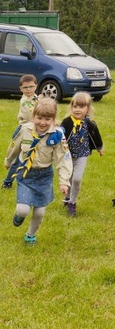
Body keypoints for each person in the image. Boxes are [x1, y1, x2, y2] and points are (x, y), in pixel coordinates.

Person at [5, 98, 72, 245]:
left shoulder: (57, 135)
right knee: (23, 209)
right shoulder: (25, 130)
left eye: (47, 119)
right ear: (33, 116)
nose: (42, 122)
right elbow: (14, 146)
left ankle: (30, 235)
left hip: (44, 176)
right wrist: (8, 161)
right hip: (26, 174)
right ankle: (19, 215)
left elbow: (63, 159)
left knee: (40, 212)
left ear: (53, 119)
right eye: (39, 118)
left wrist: (64, 181)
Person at [60, 92, 104, 217]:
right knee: (68, 178)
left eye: (81, 107)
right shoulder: (67, 122)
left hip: (82, 155)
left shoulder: (89, 124)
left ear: (88, 109)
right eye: (75, 106)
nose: (77, 110)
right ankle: (67, 198)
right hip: (67, 156)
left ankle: (72, 203)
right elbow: (61, 132)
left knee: (77, 178)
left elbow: (96, 135)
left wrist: (99, 147)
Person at [3, 74, 39, 189]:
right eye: (25, 87)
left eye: (31, 86)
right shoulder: (25, 101)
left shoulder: (36, 98)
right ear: (20, 89)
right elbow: (31, 114)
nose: (28, 89)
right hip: (24, 130)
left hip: (33, 130)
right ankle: (8, 179)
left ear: (36, 86)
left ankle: (28, 180)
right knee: (18, 156)